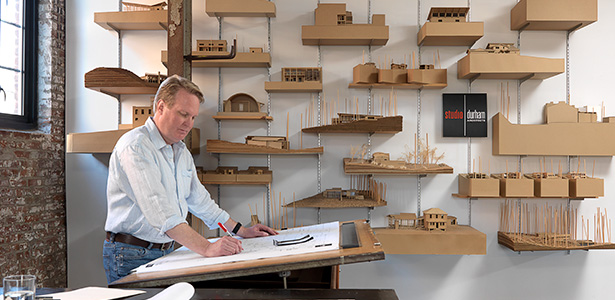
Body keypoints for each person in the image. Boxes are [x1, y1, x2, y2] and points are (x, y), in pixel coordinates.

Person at [103, 75, 277, 284]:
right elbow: (161, 213)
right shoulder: (136, 147)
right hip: (131, 254)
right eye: (183, 114)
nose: (189, 124)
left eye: (193, 117)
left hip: (167, 250)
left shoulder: (180, 150)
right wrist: (207, 247)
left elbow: (199, 200)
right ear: (160, 107)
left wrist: (241, 230)